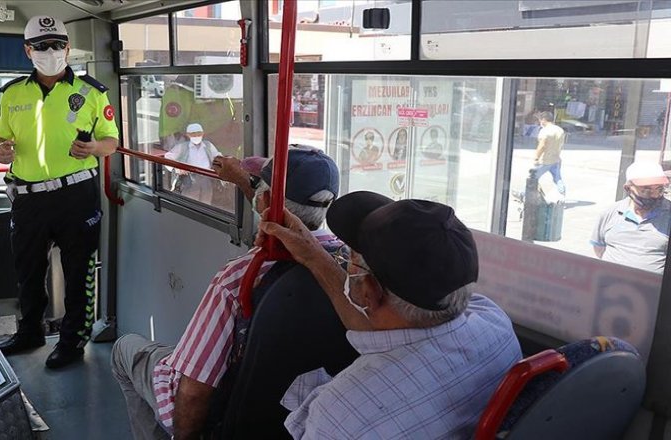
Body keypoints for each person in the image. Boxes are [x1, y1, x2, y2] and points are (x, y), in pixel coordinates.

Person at [111, 147, 342, 440]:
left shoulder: (240, 278)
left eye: (259, 185)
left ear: (266, 200)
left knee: (125, 349)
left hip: (223, 407)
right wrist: (246, 181)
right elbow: (278, 214)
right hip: (290, 409)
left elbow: (194, 392)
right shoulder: (348, 270)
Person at [258, 193, 522, 439]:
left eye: (347, 257)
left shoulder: (342, 414)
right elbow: (392, 331)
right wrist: (314, 255)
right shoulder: (493, 323)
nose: (343, 260)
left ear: (369, 291)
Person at [0, 15, 119, 369]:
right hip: (28, 196)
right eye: (42, 46)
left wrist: (93, 148)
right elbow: (0, 136)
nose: (51, 52)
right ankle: (30, 331)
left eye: (57, 45)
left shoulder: (92, 92)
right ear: (27, 50)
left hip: (75, 196)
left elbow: (111, 141)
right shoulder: (13, 93)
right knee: (27, 269)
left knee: (79, 270)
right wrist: (0, 150)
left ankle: (72, 342)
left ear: (67, 47)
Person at [591, 161, 671, 274]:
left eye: (659, 189)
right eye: (646, 190)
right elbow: (599, 249)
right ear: (628, 189)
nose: (654, 195)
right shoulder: (610, 213)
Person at [164, 123, 221, 204]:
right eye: (193, 134)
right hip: (189, 180)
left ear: (203, 133)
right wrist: (177, 168)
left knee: (206, 202)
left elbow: (218, 157)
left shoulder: (208, 145)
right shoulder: (182, 147)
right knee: (190, 203)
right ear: (188, 135)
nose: (197, 136)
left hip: (207, 178)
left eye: (199, 133)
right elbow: (167, 158)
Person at [532, 111, 566, 195]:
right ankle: (562, 193)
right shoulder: (559, 130)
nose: (540, 122)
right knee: (558, 178)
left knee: (532, 178)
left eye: (540, 120)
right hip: (556, 158)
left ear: (543, 120)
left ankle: (524, 194)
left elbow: (542, 146)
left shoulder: (545, 131)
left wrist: (536, 157)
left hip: (545, 160)